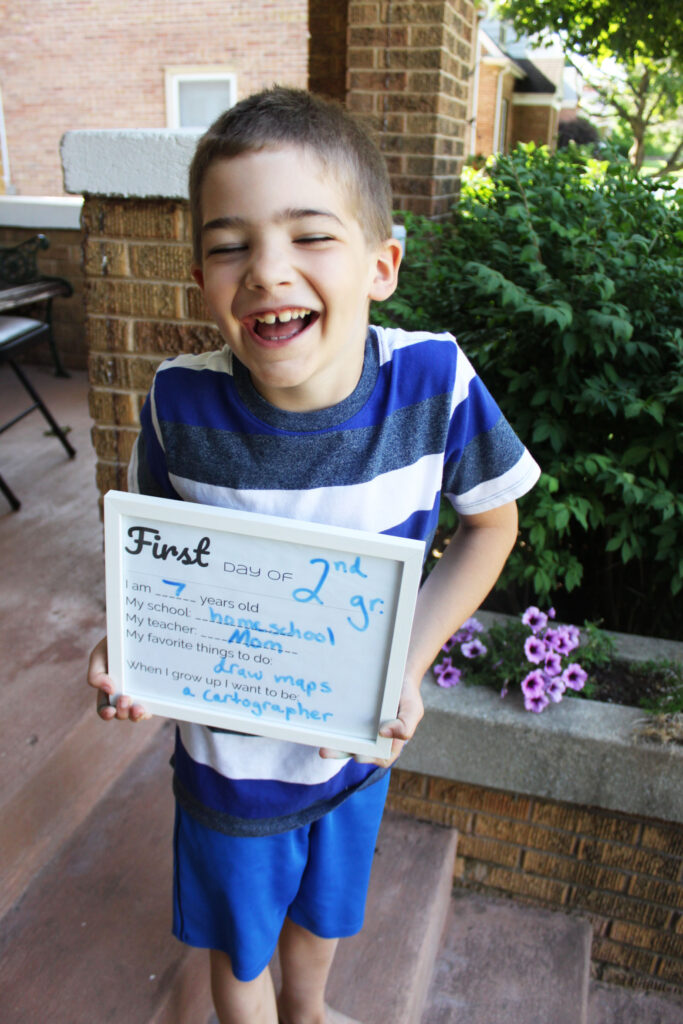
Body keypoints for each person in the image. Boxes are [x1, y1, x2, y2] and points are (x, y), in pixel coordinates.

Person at [88, 86, 540, 1024]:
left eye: (309, 236)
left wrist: (405, 664)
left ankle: (312, 1007)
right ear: (200, 275)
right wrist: (125, 646)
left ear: (382, 264)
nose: (266, 270)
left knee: (324, 911)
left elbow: (489, 527)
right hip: (227, 762)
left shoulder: (434, 382)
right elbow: (154, 551)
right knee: (237, 938)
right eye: (228, 245)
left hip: (354, 748)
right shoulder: (179, 401)